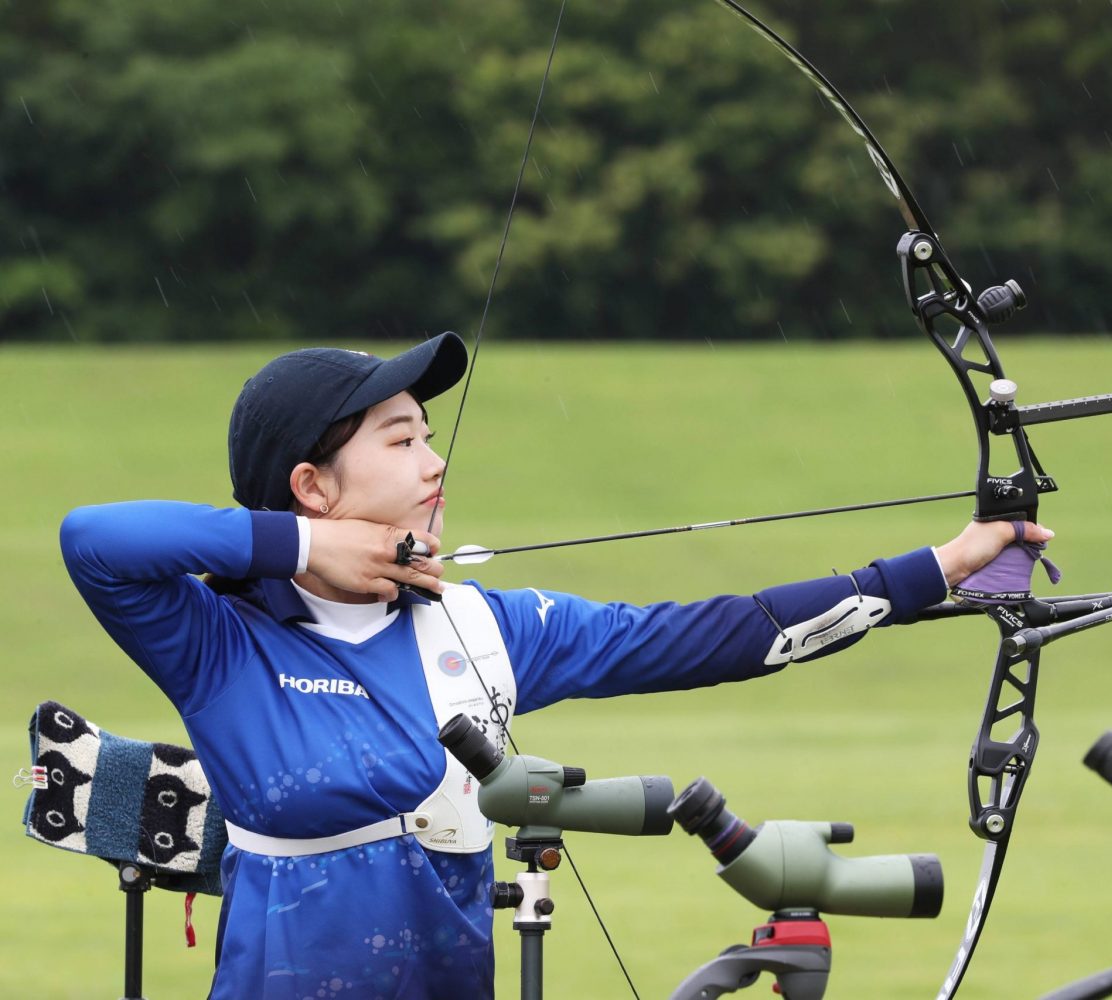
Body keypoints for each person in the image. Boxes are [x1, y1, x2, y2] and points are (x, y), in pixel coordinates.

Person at [60, 333, 1053, 999]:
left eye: (431, 437)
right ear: (310, 484)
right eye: (401, 440)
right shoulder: (220, 642)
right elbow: (95, 537)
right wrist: (300, 550)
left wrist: (936, 569)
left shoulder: (489, 628)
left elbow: (719, 633)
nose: (434, 463)